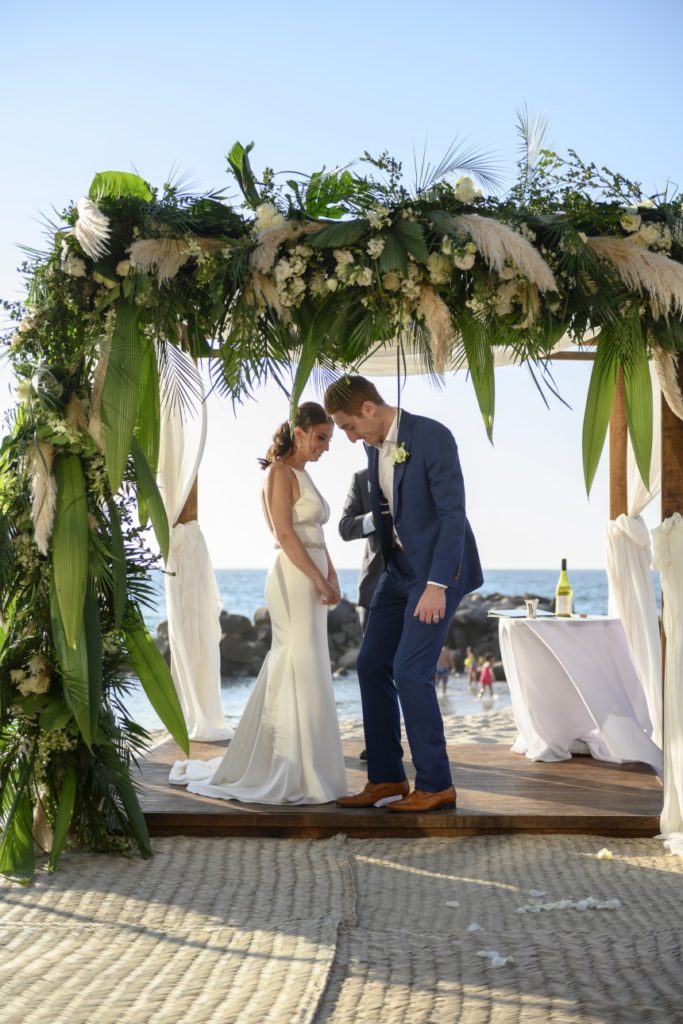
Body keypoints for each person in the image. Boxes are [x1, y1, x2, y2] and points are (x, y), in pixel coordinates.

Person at [169, 402, 347, 804]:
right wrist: (318, 576)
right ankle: (289, 763)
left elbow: (315, 533)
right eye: (321, 438)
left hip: (312, 571)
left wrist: (332, 571)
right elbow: (285, 535)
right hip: (293, 577)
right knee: (295, 659)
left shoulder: (305, 474)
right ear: (299, 434)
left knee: (311, 662)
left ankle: (309, 763)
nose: (326, 447)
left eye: (329, 440)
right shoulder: (279, 474)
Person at [324, 375, 483, 813]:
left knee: (411, 672)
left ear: (369, 410)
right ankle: (387, 776)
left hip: (436, 573)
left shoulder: (431, 436)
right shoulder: (371, 449)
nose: (349, 436)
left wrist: (436, 585)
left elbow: (453, 516)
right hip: (395, 573)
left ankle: (436, 784)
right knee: (370, 663)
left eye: (348, 426)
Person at [338, 466, 384, 762]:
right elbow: (344, 527)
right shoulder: (361, 478)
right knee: (372, 669)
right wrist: (373, 519)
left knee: (413, 672)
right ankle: (379, 742)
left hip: (418, 587)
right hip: (374, 589)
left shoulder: (418, 466)